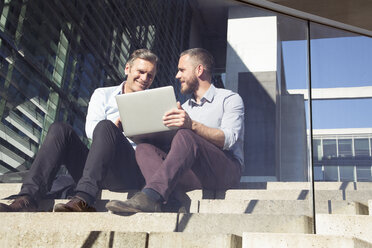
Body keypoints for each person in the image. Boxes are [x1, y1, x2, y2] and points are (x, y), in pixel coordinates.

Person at [0, 49, 158, 212]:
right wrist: (114, 127)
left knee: (105, 126)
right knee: (60, 129)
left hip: (128, 170)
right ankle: (27, 199)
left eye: (150, 75)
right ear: (127, 69)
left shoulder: (155, 104)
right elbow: (90, 131)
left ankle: (84, 199)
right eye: (141, 72)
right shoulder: (103, 94)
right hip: (96, 166)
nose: (145, 78)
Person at [106, 48, 244, 213]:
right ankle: (172, 202)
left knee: (186, 134)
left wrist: (191, 125)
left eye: (182, 70)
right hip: (193, 174)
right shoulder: (183, 108)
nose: (177, 76)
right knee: (144, 149)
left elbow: (228, 139)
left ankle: (151, 195)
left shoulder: (229, 99)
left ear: (199, 70)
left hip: (225, 171)